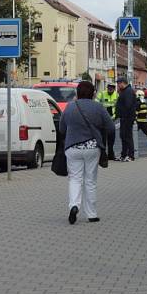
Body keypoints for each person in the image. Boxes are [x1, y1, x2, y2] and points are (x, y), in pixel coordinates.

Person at [58, 81, 115, 224]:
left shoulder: (70, 107)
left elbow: (62, 129)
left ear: (77, 93)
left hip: (72, 148)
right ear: (93, 93)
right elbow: (111, 127)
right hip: (92, 148)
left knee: (75, 179)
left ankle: (74, 206)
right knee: (90, 181)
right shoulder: (98, 107)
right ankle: (92, 214)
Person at [114, 76, 137, 162]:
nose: (118, 85)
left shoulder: (128, 92)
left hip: (127, 117)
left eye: (119, 83)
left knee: (127, 136)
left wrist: (122, 113)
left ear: (123, 83)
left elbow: (128, 105)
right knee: (123, 136)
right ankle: (123, 155)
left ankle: (131, 155)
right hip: (124, 117)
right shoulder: (124, 91)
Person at [96, 82, 118, 160]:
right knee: (103, 138)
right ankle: (103, 155)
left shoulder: (116, 95)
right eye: (109, 87)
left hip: (112, 119)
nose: (110, 89)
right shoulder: (102, 94)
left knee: (111, 138)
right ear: (107, 87)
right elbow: (96, 103)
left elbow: (118, 107)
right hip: (103, 119)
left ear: (114, 88)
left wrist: (115, 116)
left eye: (112, 87)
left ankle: (111, 155)